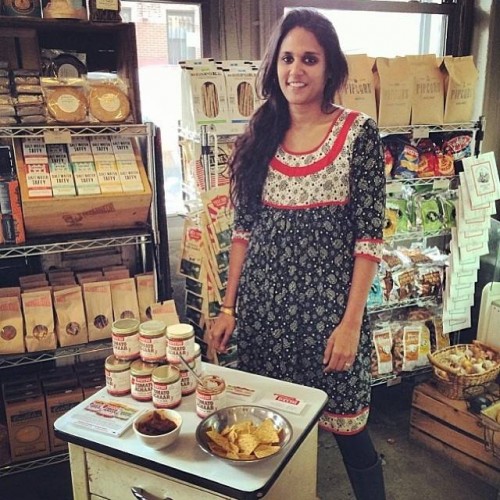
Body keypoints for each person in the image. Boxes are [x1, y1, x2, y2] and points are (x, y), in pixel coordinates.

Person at [210, 8, 386, 500]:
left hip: (330, 317)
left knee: (350, 430)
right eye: (287, 58)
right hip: (266, 314)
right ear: (274, 66)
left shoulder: (358, 133)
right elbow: (243, 231)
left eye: (309, 59)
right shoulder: (260, 132)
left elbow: (368, 238)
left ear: (329, 69)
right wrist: (228, 308)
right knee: (269, 432)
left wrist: (351, 323)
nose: (296, 70)